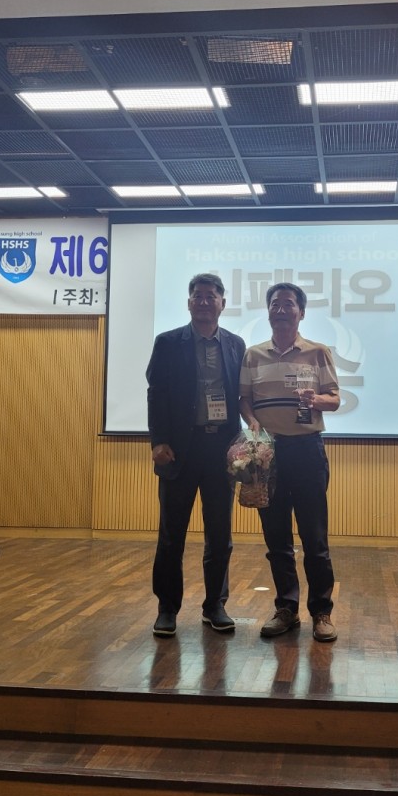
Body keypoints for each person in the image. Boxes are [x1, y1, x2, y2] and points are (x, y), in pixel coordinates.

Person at [239, 282, 340, 642]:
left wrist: (316, 400)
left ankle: (322, 613)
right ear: (268, 311)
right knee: (276, 537)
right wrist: (252, 421)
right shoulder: (253, 355)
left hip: (307, 450)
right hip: (268, 454)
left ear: (301, 312)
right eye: (275, 304)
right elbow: (244, 399)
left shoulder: (318, 352)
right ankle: (286, 609)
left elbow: (335, 399)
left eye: (289, 304)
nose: (281, 310)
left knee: (315, 538)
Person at [147, 273, 245, 638]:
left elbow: (241, 395)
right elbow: (156, 394)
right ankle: (167, 608)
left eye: (211, 296)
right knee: (172, 534)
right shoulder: (168, 342)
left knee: (220, 534)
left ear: (223, 303)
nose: (204, 302)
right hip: (178, 450)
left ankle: (215, 605)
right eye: (198, 296)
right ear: (189, 303)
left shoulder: (235, 344)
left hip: (221, 450)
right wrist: (158, 441)